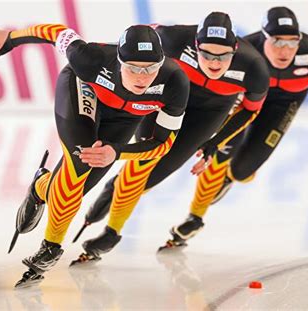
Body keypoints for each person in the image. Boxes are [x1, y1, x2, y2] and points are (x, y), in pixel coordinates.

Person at [0, 23, 190, 286]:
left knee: (71, 192)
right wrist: (10, 39)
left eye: (150, 69)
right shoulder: (91, 58)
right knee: (81, 160)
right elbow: (55, 32)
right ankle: (51, 247)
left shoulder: (175, 82)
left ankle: (40, 187)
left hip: (124, 120)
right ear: (119, 61)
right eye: (133, 67)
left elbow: (162, 144)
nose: (141, 77)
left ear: (161, 64)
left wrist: (117, 153)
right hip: (82, 90)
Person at [69, 12, 270, 264]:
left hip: (209, 114)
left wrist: (214, 142)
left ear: (236, 49)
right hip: (168, 101)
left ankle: (109, 221)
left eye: (223, 56)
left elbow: (250, 110)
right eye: (206, 54)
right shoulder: (172, 38)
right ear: (194, 45)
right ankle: (109, 229)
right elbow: (132, 49)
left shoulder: (254, 68)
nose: (215, 63)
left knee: (152, 175)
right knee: (140, 163)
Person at [164, 6, 308, 249]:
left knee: (242, 170)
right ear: (263, 37)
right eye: (277, 41)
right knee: (223, 146)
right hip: (249, 98)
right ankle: (195, 218)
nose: (285, 51)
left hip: (285, 103)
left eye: (292, 42)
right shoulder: (245, 53)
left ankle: (230, 176)